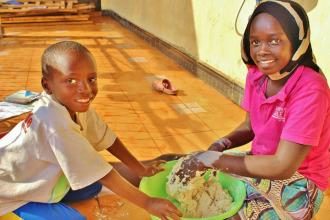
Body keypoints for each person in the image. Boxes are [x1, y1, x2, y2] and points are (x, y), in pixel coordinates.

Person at [0, 41, 181, 220]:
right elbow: (105, 176)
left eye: (91, 79)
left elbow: (107, 137)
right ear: (47, 85)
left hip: (41, 177)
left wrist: (139, 168)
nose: (85, 89)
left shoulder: (74, 104)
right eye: (71, 81)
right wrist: (148, 203)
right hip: (12, 194)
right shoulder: (55, 123)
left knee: (92, 183)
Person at [188, 0, 330, 219]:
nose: (262, 51)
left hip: (299, 182)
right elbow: (250, 125)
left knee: (230, 214)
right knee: (188, 173)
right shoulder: (257, 75)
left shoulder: (310, 88)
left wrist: (212, 159)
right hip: (261, 162)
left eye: (274, 41)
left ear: (297, 42)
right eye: (255, 42)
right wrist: (220, 145)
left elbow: (282, 165)